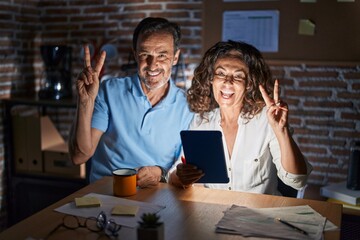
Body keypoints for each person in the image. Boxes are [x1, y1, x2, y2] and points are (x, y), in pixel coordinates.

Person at [168, 40, 312, 195]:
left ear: (249, 84)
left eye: (238, 76)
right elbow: (174, 177)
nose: (227, 82)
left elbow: (297, 180)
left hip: (257, 215)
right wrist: (181, 176)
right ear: (211, 79)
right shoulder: (201, 122)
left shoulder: (266, 120)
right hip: (214, 212)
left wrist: (281, 130)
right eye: (221, 73)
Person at [69, 17, 193, 187]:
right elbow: (79, 156)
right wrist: (85, 102)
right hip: (107, 194)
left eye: (162, 55)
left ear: (175, 57)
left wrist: (161, 173)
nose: (152, 65)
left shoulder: (188, 106)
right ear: (135, 55)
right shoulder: (108, 91)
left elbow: (186, 169)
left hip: (159, 196)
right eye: (145, 55)